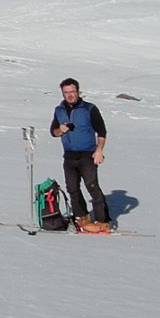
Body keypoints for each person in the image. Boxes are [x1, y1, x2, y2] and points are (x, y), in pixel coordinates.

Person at [50, 77, 109, 230]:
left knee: (92, 186)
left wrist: (99, 150)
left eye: (72, 92)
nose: (70, 95)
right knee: (72, 189)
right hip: (69, 155)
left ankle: (103, 221)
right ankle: (82, 218)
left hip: (87, 154)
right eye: (66, 92)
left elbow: (101, 131)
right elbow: (53, 132)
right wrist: (60, 130)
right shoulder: (59, 110)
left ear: (78, 91)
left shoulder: (89, 109)